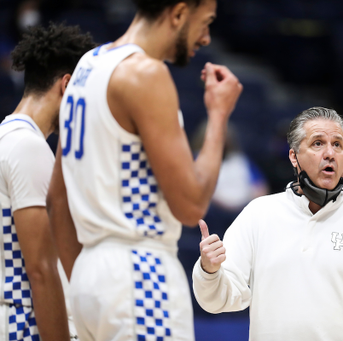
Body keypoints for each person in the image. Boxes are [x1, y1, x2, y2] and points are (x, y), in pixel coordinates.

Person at [46, 0, 243, 340]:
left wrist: (85, 276)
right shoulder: (145, 73)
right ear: (179, 13)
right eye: (205, 22)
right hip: (138, 274)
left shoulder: (85, 67)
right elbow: (191, 205)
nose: (207, 38)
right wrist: (219, 115)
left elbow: (56, 198)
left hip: (87, 280)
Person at [193, 107, 343, 341]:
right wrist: (209, 271)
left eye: (337, 144)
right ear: (294, 156)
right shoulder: (259, 214)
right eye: (318, 144)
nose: (330, 153)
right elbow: (219, 299)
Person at [0, 23, 95, 341]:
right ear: (67, 84)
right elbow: (41, 270)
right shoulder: (27, 146)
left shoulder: (6, 139)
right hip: (21, 324)